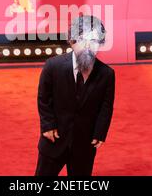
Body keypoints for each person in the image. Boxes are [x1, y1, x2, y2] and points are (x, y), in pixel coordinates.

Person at [36, 15, 115, 176]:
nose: (87, 45)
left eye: (93, 40)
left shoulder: (107, 74)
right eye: (82, 39)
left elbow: (106, 107)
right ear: (72, 41)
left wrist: (100, 132)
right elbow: (44, 98)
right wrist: (47, 125)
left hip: (84, 143)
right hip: (54, 139)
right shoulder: (53, 66)